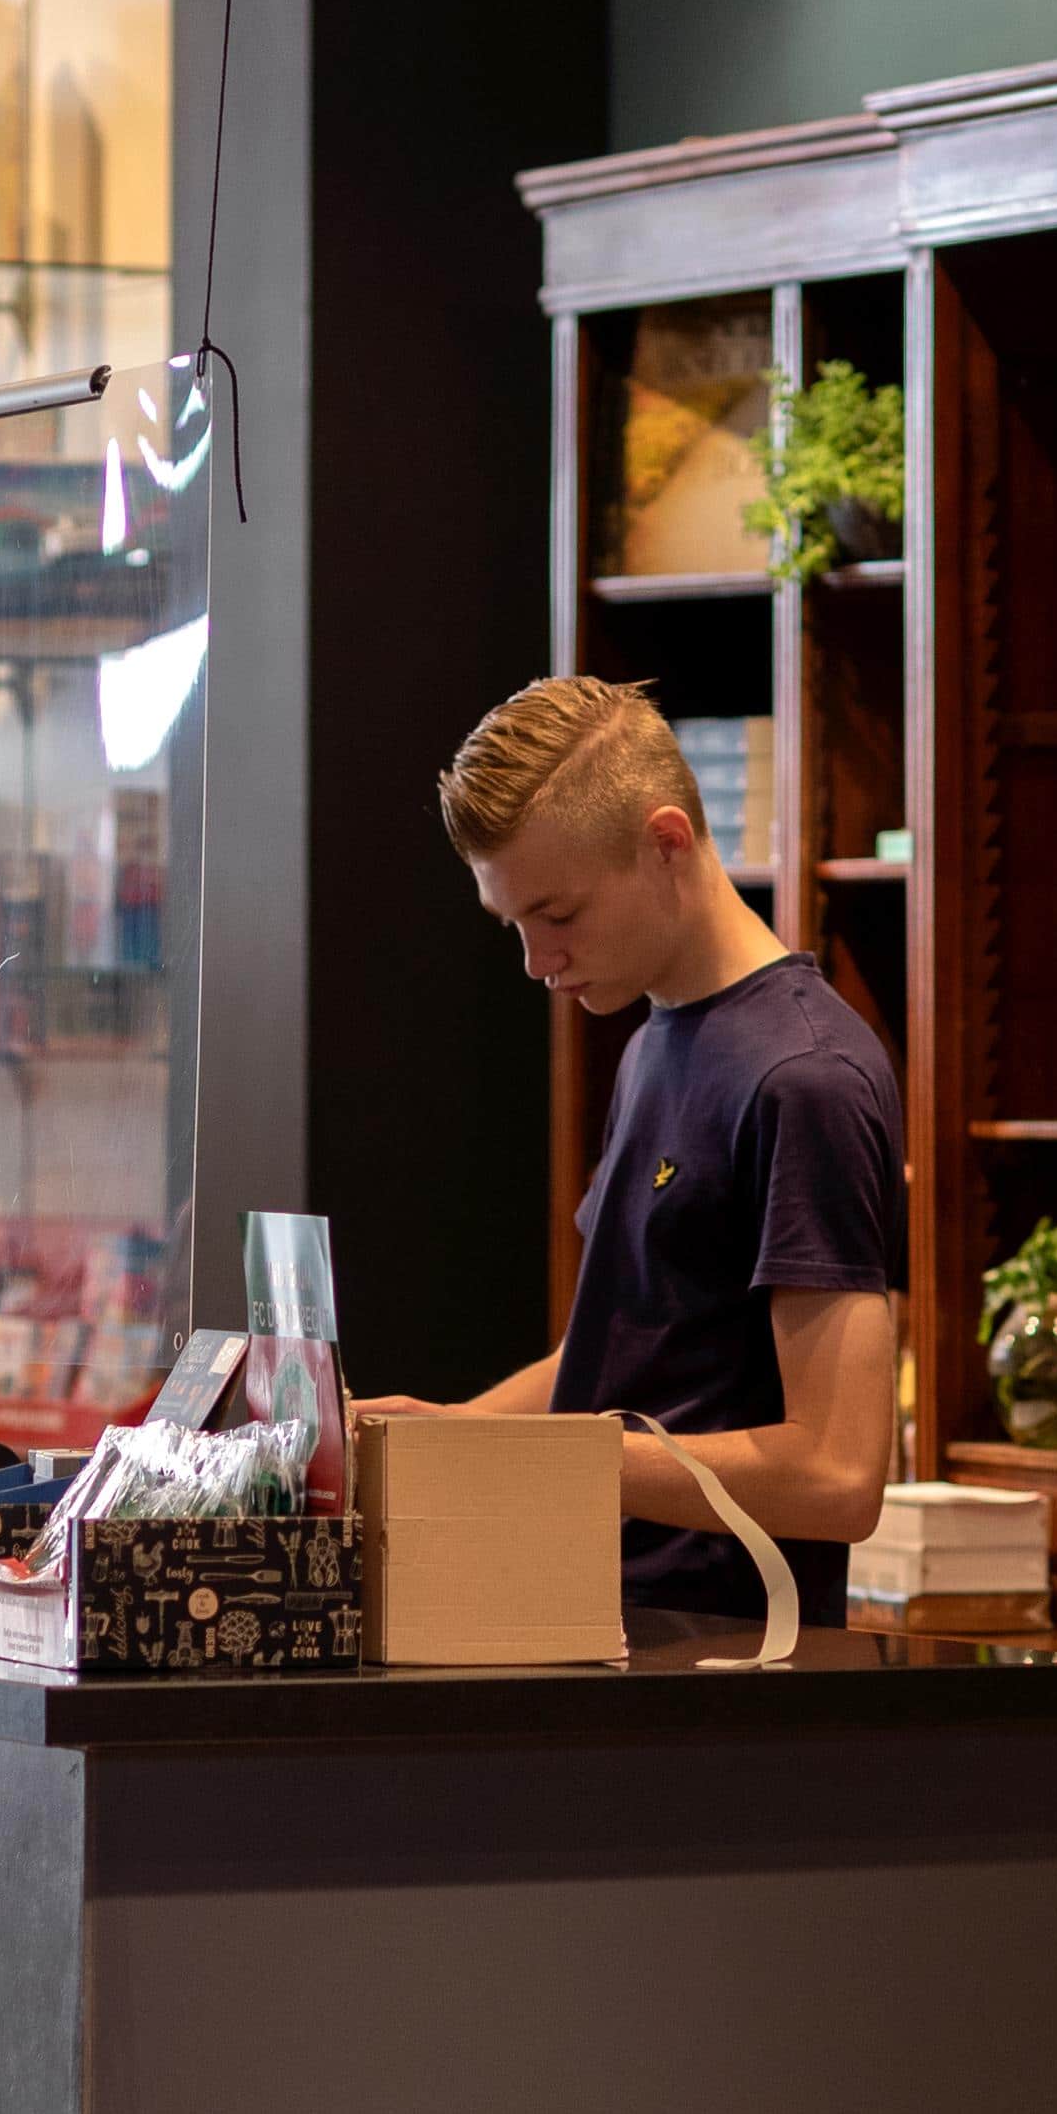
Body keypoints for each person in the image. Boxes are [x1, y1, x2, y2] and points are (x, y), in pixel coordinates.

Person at [372, 675, 898, 1620]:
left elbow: (838, 1474)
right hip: (605, 1624)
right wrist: (444, 1436)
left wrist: (530, 1457)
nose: (537, 962)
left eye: (559, 915)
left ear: (666, 843)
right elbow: (618, 1360)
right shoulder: (653, 1039)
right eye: (513, 925)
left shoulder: (805, 1079)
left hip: (721, 1659)